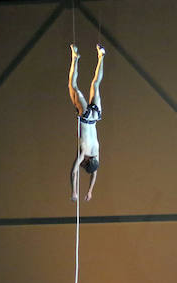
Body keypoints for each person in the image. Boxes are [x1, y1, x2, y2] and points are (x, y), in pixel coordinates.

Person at [68, 43, 106, 202]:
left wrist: (90, 191)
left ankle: (101, 56)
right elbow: (73, 172)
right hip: (85, 116)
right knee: (73, 86)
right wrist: (74, 192)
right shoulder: (84, 152)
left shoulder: (96, 153)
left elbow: (95, 173)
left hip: (95, 115)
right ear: (86, 161)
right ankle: (74, 58)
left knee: (95, 84)